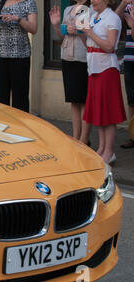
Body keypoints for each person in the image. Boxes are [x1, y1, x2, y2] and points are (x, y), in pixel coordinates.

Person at [82, 0, 127, 164]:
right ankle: (101, 148)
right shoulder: (94, 17)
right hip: (93, 68)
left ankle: (109, 151)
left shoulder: (112, 18)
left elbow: (109, 46)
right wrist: (82, 32)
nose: (92, 1)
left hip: (106, 68)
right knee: (100, 111)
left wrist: (90, 33)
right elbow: (88, 43)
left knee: (108, 112)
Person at [49, 1, 92, 144]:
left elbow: (90, 37)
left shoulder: (90, 9)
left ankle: (84, 139)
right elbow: (62, 35)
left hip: (82, 58)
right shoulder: (68, 9)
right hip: (67, 56)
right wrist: (56, 25)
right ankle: (75, 137)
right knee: (73, 99)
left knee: (84, 100)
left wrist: (79, 32)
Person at [0, 0, 38, 113]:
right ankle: (2, 126)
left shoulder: (29, 3)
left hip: (20, 55)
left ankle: (20, 128)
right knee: (1, 95)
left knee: (20, 96)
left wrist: (18, 19)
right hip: (0, 54)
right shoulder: (1, 2)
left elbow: (33, 29)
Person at [116, 0, 134, 148]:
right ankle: (133, 135)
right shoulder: (128, 6)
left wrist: (133, 23)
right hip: (129, 57)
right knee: (131, 99)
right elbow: (114, 20)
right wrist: (123, 3)